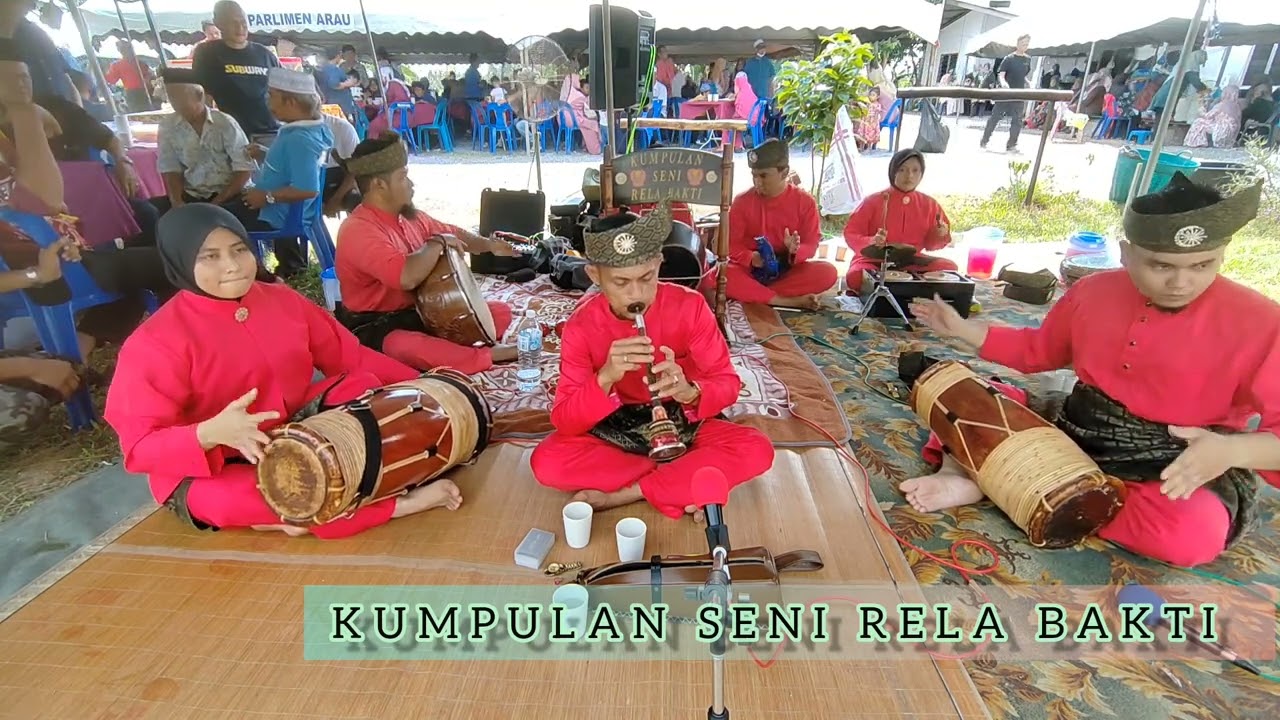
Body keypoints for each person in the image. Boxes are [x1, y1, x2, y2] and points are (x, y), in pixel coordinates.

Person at [902, 173, 1279, 568]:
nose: (1181, 282)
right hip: (1078, 426)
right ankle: (969, 473)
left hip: (1178, 459)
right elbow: (1038, 351)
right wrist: (961, 329)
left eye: (1203, 264)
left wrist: (1230, 451)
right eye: (1161, 265)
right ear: (1126, 253)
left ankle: (1013, 482)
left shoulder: (1261, 321)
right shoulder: (1093, 291)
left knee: (1191, 535)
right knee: (960, 398)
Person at [104, 204, 463, 540]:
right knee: (229, 499)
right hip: (213, 462)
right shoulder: (155, 342)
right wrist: (210, 433)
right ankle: (388, 506)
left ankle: (293, 515)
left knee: (363, 386)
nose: (232, 265)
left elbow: (350, 357)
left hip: (295, 429)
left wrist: (428, 384)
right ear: (180, 263)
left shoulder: (282, 300)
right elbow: (139, 448)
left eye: (239, 250)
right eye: (210, 256)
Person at [530, 201, 775, 520]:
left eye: (647, 278)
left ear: (659, 263)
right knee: (547, 463)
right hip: (618, 428)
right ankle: (681, 477)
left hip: (684, 421)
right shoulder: (580, 326)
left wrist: (690, 391)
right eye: (621, 283)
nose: (637, 294)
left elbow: (727, 383)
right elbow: (565, 420)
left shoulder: (690, 306)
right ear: (594, 275)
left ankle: (628, 493)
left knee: (757, 448)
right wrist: (606, 377)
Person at [334, 132, 520, 375]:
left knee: (499, 311)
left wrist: (489, 245)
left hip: (419, 314)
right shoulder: (357, 230)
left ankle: (453, 354)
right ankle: (485, 356)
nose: (411, 184)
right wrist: (437, 243)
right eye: (403, 177)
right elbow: (406, 277)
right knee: (405, 345)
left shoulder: (410, 217)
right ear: (379, 184)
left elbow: (453, 232)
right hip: (377, 327)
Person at [704, 138, 837, 310]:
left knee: (827, 272)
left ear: (784, 172)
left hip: (786, 271)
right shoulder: (742, 201)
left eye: (763, 176)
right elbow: (729, 245)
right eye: (754, 175)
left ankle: (755, 295)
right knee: (720, 274)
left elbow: (811, 244)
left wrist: (795, 251)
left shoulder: (805, 202)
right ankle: (784, 301)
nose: (757, 182)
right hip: (750, 270)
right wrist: (751, 257)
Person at [242, 67, 334, 278]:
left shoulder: (298, 139)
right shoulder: (315, 129)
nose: (268, 103)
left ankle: (257, 276)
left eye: (271, 96)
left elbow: (308, 189)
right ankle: (286, 265)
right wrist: (265, 154)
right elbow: (298, 164)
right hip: (290, 209)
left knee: (220, 218)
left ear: (291, 102)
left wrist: (266, 197)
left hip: (277, 213)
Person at [842, 149, 957, 293]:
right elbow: (851, 233)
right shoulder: (873, 201)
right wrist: (871, 241)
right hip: (874, 261)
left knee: (949, 268)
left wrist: (939, 234)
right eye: (902, 170)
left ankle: (897, 288)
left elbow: (932, 245)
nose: (909, 176)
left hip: (913, 261)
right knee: (856, 276)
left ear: (922, 174)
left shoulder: (930, 204)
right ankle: (909, 289)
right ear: (893, 171)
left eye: (915, 170)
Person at [192, 1, 280, 139]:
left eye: (243, 22)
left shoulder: (265, 54)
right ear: (219, 23)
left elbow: (285, 90)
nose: (240, 28)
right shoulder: (207, 53)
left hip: (270, 133)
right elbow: (202, 95)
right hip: (232, 135)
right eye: (233, 23)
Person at [980, 34, 1032, 153]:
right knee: (995, 118)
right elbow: (1001, 74)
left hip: (1019, 94)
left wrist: (1028, 82)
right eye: (1023, 44)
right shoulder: (1009, 58)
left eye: (1027, 44)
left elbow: (1023, 75)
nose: (1024, 46)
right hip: (1005, 94)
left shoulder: (1027, 59)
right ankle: (984, 140)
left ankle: (1011, 144)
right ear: (1017, 44)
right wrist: (1003, 82)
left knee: (1017, 120)